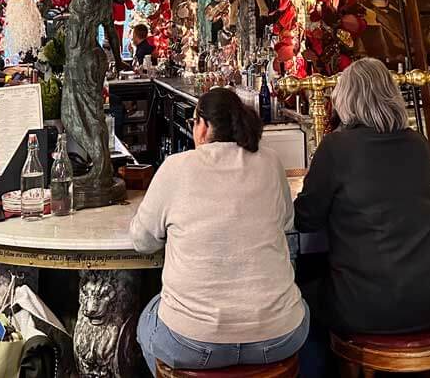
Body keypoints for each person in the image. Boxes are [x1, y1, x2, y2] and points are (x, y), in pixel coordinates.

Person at [130, 87, 308, 373]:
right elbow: (287, 223)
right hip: (277, 337)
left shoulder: (175, 168)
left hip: (194, 343)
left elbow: (141, 240)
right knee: (301, 309)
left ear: (204, 126)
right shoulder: (271, 162)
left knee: (146, 321)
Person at [293, 58, 430, 340]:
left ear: (345, 100)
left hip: (369, 305)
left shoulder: (337, 147)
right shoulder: (419, 143)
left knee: (296, 304)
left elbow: (306, 219)